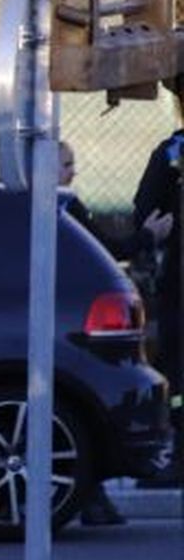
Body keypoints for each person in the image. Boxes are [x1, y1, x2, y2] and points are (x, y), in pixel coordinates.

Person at [59, 140, 171, 524]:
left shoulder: (11, 198)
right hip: (67, 320)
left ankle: (92, 495)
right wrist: (150, 236)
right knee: (78, 400)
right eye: (66, 164)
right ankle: (92, 494)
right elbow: (106, 248)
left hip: (56, 318)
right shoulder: (61, 206)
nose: (73, 171)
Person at [130, 123, 184, 486]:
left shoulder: (172, 153)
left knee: (178, 373)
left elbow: (144, 212)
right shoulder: (172, 154)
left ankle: (178, 456)